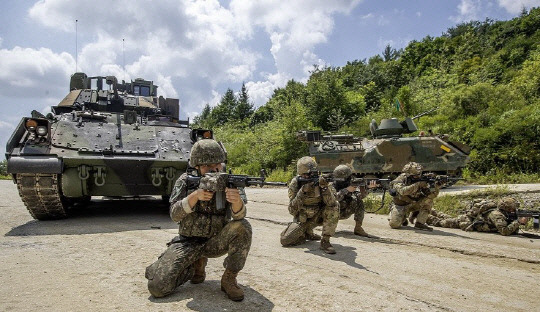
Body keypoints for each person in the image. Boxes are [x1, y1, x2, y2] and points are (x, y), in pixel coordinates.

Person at [145, 139, 252, 301]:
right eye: (206, 166)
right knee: (157, 288)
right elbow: (174, 214)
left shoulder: (231, 181)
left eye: (217, 164)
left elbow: (239, 217)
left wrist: (236, 201)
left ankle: (229, 278)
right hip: (188, 242)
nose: (213, 169)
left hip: (216, 241)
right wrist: (194, 196)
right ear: (196, 166)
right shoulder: (185, 180)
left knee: (243, 226)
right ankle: (194, 267)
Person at [280, 156, 339, 254]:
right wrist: (302, 192)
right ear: (300, 174)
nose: (308, 177)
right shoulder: (296, 183)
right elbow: (292, 210)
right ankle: (306, 234)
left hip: (319, 216)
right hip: (303, 219)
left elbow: (332, 204)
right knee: (285, 240)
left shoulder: (323, 181)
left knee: (335, 207)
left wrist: (324, 188)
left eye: (311, 174)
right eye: (305, 175)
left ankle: (325, 241)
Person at [426, 197, 529, 236]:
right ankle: (424, 215)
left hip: (471, 219)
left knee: (445, 217)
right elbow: (504, 231)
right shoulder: (496, 215)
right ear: (506, 208)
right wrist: (518, 222)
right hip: (467, 222)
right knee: (440, 222)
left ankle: (431, 211)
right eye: (512, 208)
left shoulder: (504, 213)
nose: (514, 210)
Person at [387, 162, 442, 231]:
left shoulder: (423, 178)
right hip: (401, 204)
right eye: (416, 175)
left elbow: (432, 195)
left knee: (429, 200)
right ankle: (401, 217)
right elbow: (403, 191)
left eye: (419, 174)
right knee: (394, 225)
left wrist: (436, 186)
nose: (418, 176)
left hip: (415, 203)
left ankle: (420, 223)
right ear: (408, 174)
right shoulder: (400, 179)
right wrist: (418, 185)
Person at [331, 165, 375, 237]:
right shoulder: (331, 184)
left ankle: (358, 228)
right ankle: (329, 228)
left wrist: (368, 188)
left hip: (345, 211)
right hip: (332, 212)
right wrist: (346, 190)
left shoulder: (351, 182)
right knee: (334, 204)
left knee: (358, 201)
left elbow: (360, 196)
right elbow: (332, 199)